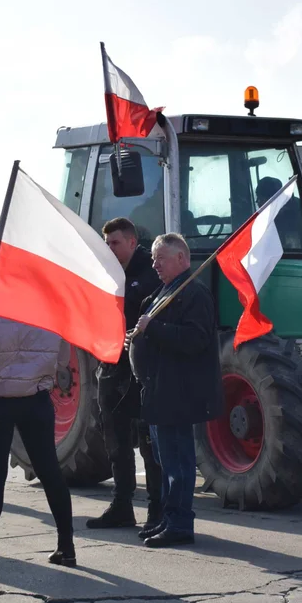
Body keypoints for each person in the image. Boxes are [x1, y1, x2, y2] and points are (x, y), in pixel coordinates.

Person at [0, 314, 75, 576]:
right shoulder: (51, 309)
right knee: (50, 471)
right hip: (37, 400)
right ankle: (66, 547)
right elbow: (62, 360)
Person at [129, 233, 223, 548]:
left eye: (160, 258)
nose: (154, 264)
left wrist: (151, 329)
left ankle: (180, 524)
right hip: (158, 392)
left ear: (181, 259)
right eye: (154, 258)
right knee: (163, 459)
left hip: (178, 393)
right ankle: (168, 519)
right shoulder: (164, 292)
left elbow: (195, 339)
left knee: (178, 462)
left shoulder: (194, 293)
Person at [86, 217, 164, 532]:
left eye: (115, 243)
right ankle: (122, 505)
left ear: (132, 242)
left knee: (149, 443)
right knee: (116, 441)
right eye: (106, 244)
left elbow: (134, 306)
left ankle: (157, 508)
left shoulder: (150, 273)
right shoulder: (107, 274)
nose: (109, 249)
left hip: (143, 369)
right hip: (112, 365)